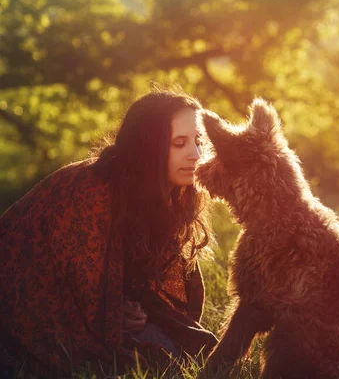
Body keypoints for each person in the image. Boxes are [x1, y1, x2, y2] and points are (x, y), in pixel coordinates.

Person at [0, 87, 218, 376]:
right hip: (22, 309)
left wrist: (131, 306)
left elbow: (144, 278)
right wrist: (112, 313)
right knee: (153, 357)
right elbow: (70, 280)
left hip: (103, 310)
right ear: (148, 146)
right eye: (180, 143)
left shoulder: (168, 193)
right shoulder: (93, 190)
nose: (196, 154)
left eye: (198, 141)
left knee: (193, 346)